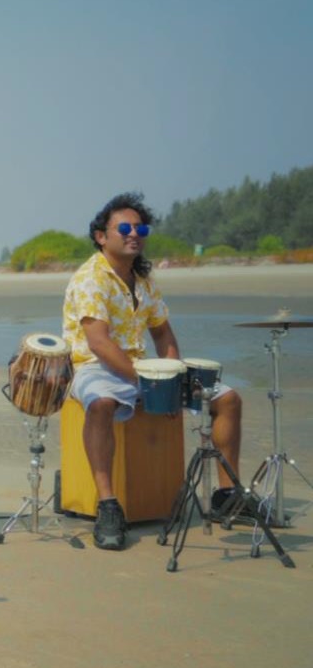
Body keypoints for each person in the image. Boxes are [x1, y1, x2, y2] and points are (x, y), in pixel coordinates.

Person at [63, 191, 254, 550]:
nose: (134, 233)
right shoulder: (90, 278)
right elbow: (100, 344)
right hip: (95, 367)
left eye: (141, 227)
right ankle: (107, 506)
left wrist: (171, 373)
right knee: (101, 403)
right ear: (102, 236)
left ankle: (228, 495)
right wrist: (154, 384)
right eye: (124, 227)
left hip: (144, 370)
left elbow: (163, 333)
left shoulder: (145, 281)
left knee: (227, 399)